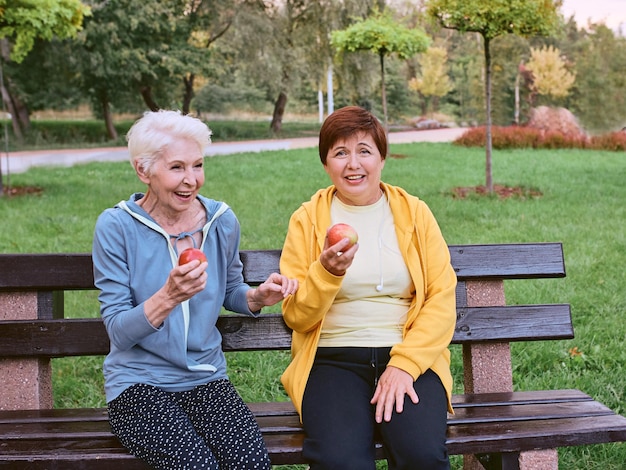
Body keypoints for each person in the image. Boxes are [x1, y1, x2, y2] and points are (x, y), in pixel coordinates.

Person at [92, 109, 298, 470]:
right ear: (143, 171)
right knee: (195, 464)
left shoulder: (221, 221)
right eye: (177, 168)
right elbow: (119, 333)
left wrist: (255, 297)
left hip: (206, 378)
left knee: (250, 463)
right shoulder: (116, 227)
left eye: (197, 165)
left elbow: (231, 286)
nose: (191, 180)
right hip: (139, 386)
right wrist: (168, 295)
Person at [279, 106, 456, 470]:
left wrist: (405, 366)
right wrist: (326, 272)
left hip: (408, 357)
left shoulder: (415, 213)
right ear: (326, 164)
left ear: (382, 157)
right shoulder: (308, 220)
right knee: (339, 461)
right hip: (332, 359)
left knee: (422, 455)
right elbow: (297, 316)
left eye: (364, 150)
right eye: (340, 153)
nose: (353, 163)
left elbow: (441, 297)